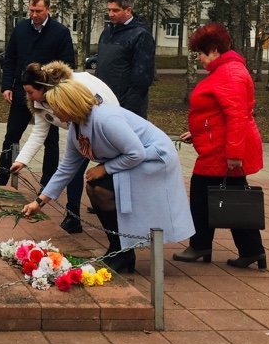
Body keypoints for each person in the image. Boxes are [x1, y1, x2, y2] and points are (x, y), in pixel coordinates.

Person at [21, 79, 194, 273]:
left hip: (154, 159)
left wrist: (105, 168)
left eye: (56, 107)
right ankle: (119, 249)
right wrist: (40, 201)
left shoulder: (106, 119)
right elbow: (67, 167)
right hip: (133, 158)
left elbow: (137, 153)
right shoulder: (76, 126)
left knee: (101, 188)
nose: (53, 113)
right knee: (95, 188)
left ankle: (122, 251)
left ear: (69, 105)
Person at [173, 23, 266, 269]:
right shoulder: (229, 71)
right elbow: (218, 113)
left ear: (214, 50)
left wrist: (234, 154)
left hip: (224, 150)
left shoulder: (229, 74)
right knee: (232, 196)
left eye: (201, 54)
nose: (200, 59)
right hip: (221, 146)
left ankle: (202, 245)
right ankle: (251, 249)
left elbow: (236, 115)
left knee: (204, 195)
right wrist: (197, 132)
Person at [0, 0, 76, 232]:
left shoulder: (60, 32)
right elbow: (9, 59)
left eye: (38, 11)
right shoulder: (21, 28)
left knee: (49, 140)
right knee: (12, 134)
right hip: (22, 90)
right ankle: (2, 175)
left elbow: (67, 64)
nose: (34, 15)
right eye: (31, 11)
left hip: (48, 95)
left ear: (48, 10)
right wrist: (7, 85)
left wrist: (56, 93)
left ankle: (47, 182)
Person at [9, 61, 119, 234]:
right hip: (77, 130)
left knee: (92, 175)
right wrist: (21, 161)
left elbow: (97, 111)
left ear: (42, 88)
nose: (28, 97)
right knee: (71, 170)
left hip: (101, 126)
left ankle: (110, 219)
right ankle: (73, 216)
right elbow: (39, 132)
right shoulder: (40, 102)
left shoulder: (73, 89)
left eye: (30, 92)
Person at [95, 0, 155, 118]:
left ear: (128, 10)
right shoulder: (106, 33)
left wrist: (129, 109)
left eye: (115, 10)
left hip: (126, 107)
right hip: (103, 101)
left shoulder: (141, 35)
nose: (110, 14)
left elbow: (142, 78)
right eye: (109, 10)